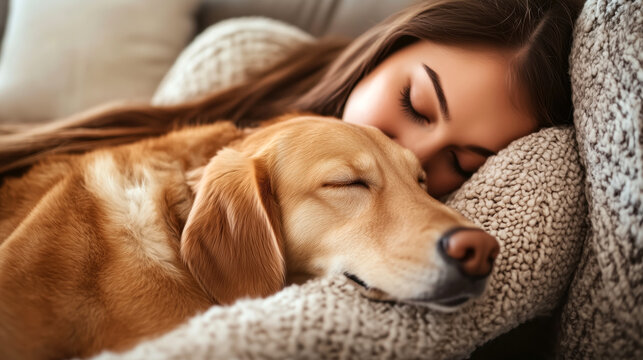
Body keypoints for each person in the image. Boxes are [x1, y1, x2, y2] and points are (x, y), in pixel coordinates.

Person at [0, 0, 583, 198]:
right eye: (414, 105)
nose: (409, 154)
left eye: (462, 162)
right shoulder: (245, 59)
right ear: (386, 51)